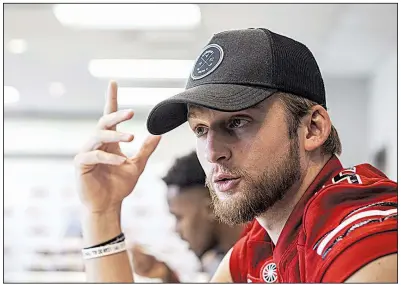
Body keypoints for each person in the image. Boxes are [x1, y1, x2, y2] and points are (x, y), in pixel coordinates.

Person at [74, 28, 397, 283]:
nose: (213, 152)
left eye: (237, 122)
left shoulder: (364, 241)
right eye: (200, 129)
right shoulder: (263, 239)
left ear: (312, 129)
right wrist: (101, 214)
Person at [129, 151, 244, 282]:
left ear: (210, 209)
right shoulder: (219, 260)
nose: (176, 229)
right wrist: (167, 276)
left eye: (179, 217)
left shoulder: (259, 256)